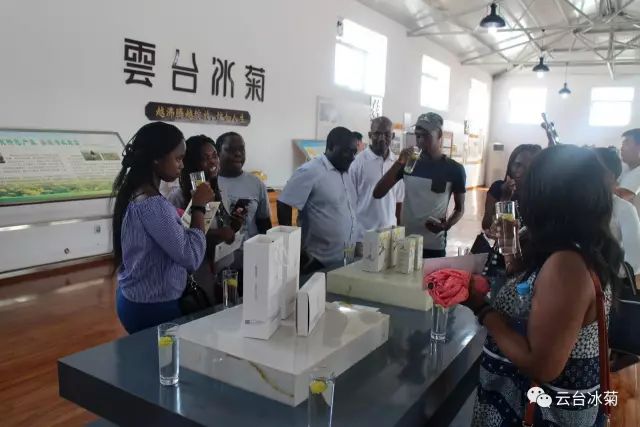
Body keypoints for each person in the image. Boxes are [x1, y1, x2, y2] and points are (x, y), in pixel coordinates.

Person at [465, 145, 623, 426]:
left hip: (539, 413)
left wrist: (481, 308)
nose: (523, 188)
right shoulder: (571, 243)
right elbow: (519, 271)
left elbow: (541, 364)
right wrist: (508, 223)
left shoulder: (567, 265)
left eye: (531, 181)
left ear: (548, 195)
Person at [112, 122, 214, 334]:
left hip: (133, 297)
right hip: (153, 306)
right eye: (178, 158)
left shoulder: (135, 192)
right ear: (156, 158)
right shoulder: (154, 205)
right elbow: (191, 258)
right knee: (163, 354)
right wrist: (198, 207)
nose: (182, 165)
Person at [373, 112, 465, 258]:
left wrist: (446, 225)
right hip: (405, 243)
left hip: (434, 246)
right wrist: (399, 163)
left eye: (425, 136)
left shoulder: (454, 169)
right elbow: (378, 192)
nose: (420, 141)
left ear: (439, 135)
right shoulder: (409, 164)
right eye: (417, 136)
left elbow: (459, 209)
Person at [166, 135, 241, 303]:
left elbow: (220, 223)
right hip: (199, 273)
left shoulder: (219, 189)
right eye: (205, 158)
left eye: (214, 156)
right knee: (206, 308)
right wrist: (217, 234)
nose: (213, 161)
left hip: (223, 265)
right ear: (193, 163)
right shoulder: (177, 197)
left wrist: (233, 226)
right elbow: (179, 238)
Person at [278, 126, 358, 274]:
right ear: (331, 146)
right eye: (347, 151)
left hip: (345, 259)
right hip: (317, 261)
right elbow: (284, 203)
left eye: (354, 152)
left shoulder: (347, 173)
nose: (352, 157)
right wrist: (293, 246)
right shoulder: (311, 170)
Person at [349, 116, 404, 249]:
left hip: (390, 237)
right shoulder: (358, 163)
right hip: (363, 238)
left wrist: (399, 233)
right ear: (370, 135)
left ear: (393, 136)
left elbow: (399, 202)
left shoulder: (397, 164)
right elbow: (349, 203)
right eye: (377, 134)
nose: (381, 138)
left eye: (386, 134)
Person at [594, 146, 640, 273]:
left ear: (609, 176)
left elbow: (634, 262)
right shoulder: (578, 206)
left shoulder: (624, 209)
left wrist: (604, 276)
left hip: (609, 278)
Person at [482, 144, 541, 230]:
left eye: (529, 167)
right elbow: (488, 226)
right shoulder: (498, 188)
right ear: (510, 165)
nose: (521, 171)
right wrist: (505, 199)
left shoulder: (542, 194)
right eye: (518, 165)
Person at [618, 128, 640, 213]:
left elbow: (621, 196)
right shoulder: (625, 167)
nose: (621, 148)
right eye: (622, 144)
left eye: (626, 143)